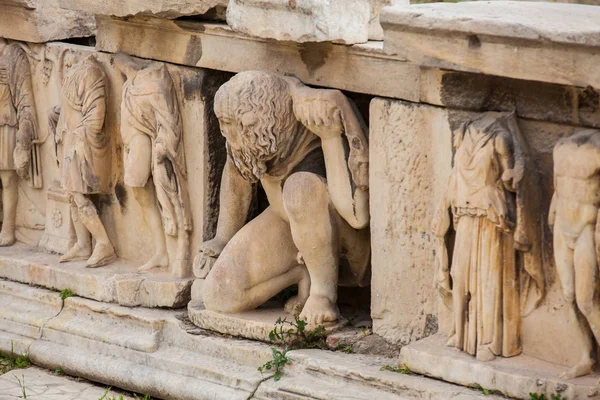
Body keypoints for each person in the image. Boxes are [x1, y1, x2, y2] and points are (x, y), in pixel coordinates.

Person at [196, 71, 370, 324]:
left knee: (299, 188)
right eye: (223, 122)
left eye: (231, 124)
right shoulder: (248, 141)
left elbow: (357, 216)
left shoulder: (315, 114)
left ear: (258, 119)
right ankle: (302, 272)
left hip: (341, 243)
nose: (225, 131)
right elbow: (237, 172)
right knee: (221, 295)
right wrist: (222, 239)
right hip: (286, 224)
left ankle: (322, 294)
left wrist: (330, 137)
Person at [433, 112, 544, 361]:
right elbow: (454, 176)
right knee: (459, 274)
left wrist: (513, 177)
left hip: (491, 216)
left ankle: (489, 340)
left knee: (488, 278)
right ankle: (460, 332)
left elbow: (511, 182)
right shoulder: (462, 132)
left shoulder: (501, 138)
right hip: (465, 213)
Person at [116, 53, 192, 277]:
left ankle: (167, 251)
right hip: (131, 145)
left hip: (142, 144)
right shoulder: (130, 84)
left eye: (118, 62)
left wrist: (161, 148)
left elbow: (167, 120)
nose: (116, 66)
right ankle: (160, 251)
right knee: (142, 196)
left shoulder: (150, 83)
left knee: (150, 193)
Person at [53, 55, 116, 268]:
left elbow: (96, 116)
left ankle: (104, 244)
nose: (67, 63)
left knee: (79, 197)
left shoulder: (91, 73)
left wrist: (79, 138)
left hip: (82, 144)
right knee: (71, 195)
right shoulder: (74, 73)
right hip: (71, 141)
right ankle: (83, 244)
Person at [550, 129, 600, 379]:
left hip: (586, 230)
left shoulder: (597, 152)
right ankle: (585, 356)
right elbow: (557, 191)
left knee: (586, 301)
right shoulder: (560, 148)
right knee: (569, 295)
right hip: (562, 226)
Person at [0, 38, 40, 246]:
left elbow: (25, 101)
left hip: (5, 123)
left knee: (7, 179)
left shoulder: (12, 55)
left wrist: (23, 141)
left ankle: (8, 227)